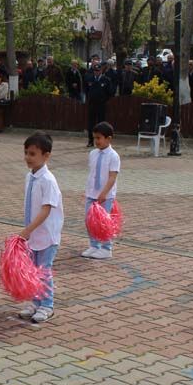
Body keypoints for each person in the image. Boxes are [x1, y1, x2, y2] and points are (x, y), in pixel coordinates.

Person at [18, 132, 64, 324]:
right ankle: (35, 302)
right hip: (33, 234)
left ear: (46, 156)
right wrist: (29, 230)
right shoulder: (30, 177)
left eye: (32, 154)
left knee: (44, 270)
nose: (28, 157)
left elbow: (46, 209)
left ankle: (47, 305)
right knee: (33, 270)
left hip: (46, 235)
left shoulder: (48, 180)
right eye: (26, 153)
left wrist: (28, 230)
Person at [83, 121, 120, 260]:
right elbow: (92, 174)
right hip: (91, 194)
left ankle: (106, 248)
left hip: (105, 195)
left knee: (104, 221)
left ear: (108, 138)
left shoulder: (113, 156)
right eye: (94, 138)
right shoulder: (93, 153)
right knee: (90, 220)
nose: (96, 141)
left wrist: (104, 193)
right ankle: (94, 245)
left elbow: (112, 177)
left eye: (99, 138)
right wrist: (88, 190)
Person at [86, 63, 113, 147]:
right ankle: (90, 141)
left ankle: (102, 141)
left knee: (101, 124)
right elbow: (86, 90)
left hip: (101, 105)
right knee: (91, 124)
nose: (96, 72)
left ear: (101, 71)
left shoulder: (106, 80)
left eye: (98, 71)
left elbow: (110, 92)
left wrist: (104, 100)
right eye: (95, 71)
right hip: (92, 105)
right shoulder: (90, 79)